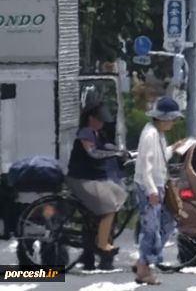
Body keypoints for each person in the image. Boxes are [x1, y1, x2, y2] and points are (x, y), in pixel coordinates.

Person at [66, 102, 128, 270]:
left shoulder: (97, 133)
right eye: (99, 120)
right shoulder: (86, 133)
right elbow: (93, 153)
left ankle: (93, 255)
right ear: (91, 118)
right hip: (83, 179)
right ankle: (101, 248)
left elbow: (106, 147)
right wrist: (115, 153)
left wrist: (120, 152)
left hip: (95, 178)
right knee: (107, 208)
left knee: (105, 210)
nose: (102, 123)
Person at [132, 96, 183, 285]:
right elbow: (145, 165)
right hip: (150, 186)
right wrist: (152, 190)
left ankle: (144, 263)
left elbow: (160, 158)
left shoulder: (157, 134)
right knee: (151, 229)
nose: (173, 123)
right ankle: (145, 269)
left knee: (166, 223)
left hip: (158, 184)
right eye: (171, 119)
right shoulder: (150, 135)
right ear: (163, 118)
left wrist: (173, 148)